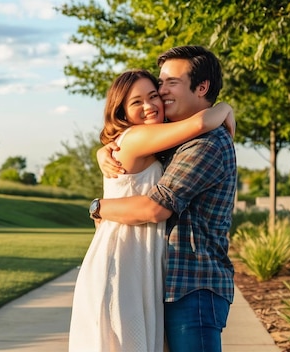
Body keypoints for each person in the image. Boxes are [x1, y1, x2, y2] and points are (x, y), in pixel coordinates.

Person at [68, 68, 234, 352]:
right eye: (136, 102)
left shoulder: (157, 142)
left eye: (153, 96)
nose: (149, 106)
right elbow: (201, 122)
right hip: (124, 256)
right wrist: (225, 107)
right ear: (121, 111)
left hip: (141, 254)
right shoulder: (135, 138)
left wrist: (99, 202)